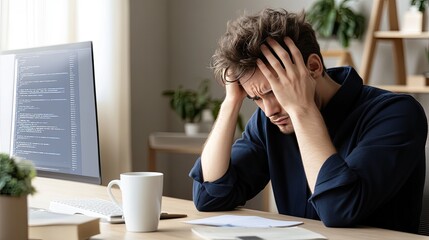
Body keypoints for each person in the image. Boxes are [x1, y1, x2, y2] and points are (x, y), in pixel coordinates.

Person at [188, 8, 428, 234]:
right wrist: (231, 104)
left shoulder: (397, 114)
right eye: (256, 98)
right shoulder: (269, 121)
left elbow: (338, 210)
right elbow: (210, 197)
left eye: (274, 91)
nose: (269, 110)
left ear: (313, 67)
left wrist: (301, 109)